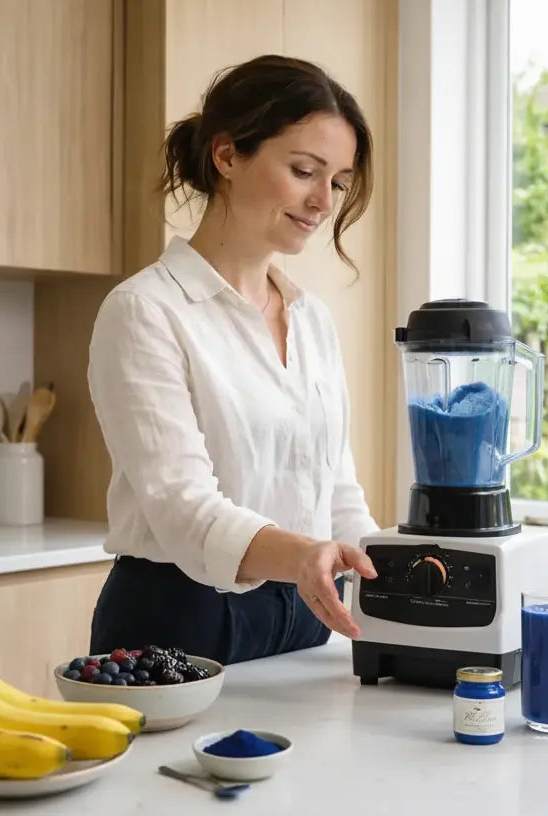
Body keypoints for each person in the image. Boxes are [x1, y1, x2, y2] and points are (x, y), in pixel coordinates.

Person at [86, 55, 381, 666]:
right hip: (178, 618)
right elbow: (181, 507)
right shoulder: (145, 311)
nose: (323, 201)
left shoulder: (312, 319)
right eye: (304, 170)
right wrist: (302, 555)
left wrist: (392, 575)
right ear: (226, 156)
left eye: (339, 182)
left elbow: (337, 491)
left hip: (303, 613)